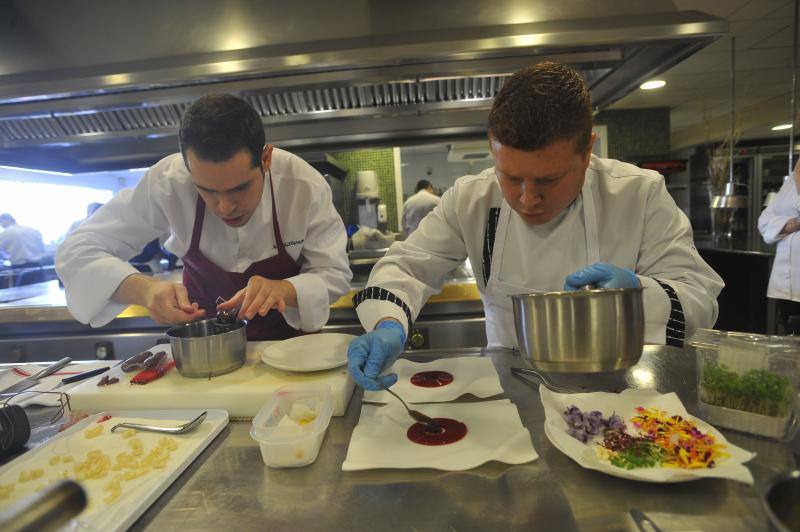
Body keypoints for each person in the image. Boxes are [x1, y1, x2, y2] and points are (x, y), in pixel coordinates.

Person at [348, 61, 724, 390]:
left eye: (547, 181)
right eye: (510, 178)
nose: (527, 199)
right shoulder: (470, 198)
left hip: (622, 391)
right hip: (511, 390)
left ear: (587, 150)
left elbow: (700, 299)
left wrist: (638, 295)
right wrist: (387, 324)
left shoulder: (639, 194)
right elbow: (406, 266)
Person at [57, 93, 352, 339]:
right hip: (206, 355)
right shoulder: (169, 181)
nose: (224, 207)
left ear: (265, 159)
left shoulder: (304, 186)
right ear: (187, 167)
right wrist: (144, 290)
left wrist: (286, 289)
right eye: (207, 190)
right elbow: (76, 252)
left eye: (239, 188)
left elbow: (334, 274)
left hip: (293, 354)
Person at [758, 159, 800, 334]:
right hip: (785, 283)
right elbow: (764, 221)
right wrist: (795, 223)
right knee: (789, 341)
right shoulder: (790, 182)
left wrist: (782, 225)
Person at [0, 214, 46, 286]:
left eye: (1, 222)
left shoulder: (6, 233)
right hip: (38, 268)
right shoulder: (33, 230)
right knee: (41, 294)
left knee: (22, 296)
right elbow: (42, 249)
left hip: (21, 270)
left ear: (5, 220)